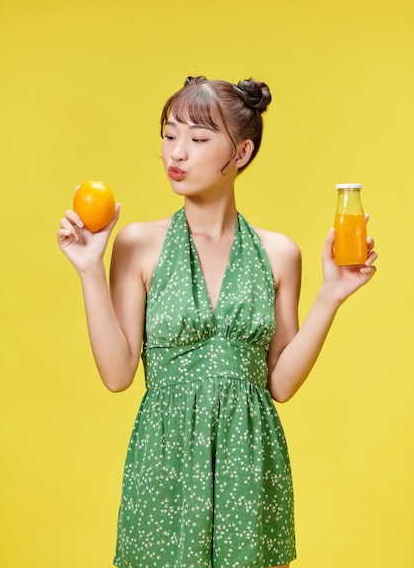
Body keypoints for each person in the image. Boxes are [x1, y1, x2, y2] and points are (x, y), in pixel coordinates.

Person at [57, 75, 377, 568]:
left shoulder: (278, 253)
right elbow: (118, 374)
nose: (177, 153)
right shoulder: (137, 245)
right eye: (169, 135)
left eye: (199, 138)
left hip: (249, 465)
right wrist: (89, 269)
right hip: (164, 464)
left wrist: (331, 295)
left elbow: (281, 384)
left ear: (241, 153)